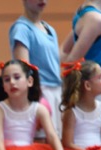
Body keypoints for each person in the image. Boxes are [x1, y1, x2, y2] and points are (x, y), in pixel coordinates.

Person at [60, 0, 101, 115]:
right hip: (93, 84)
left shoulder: (87, 11)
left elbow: (65, 51)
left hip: (93, 80)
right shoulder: (95, 19)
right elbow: (71, 62)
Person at [9, 0, 63, 136]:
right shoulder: (21, 29)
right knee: (43, 140)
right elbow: (23, 69)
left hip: (57, 92)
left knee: (58, 139)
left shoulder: (50, 29)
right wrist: (35, 98)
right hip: (40, 92)